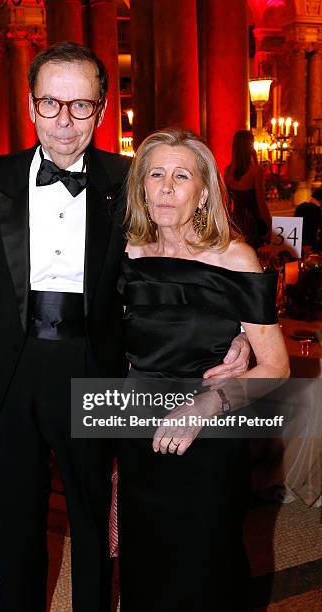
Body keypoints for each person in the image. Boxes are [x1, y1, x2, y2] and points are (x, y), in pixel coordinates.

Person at [0, 43, 250, 612]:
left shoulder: (131, 179)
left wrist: (232, 327)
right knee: (16, 521)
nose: (65, 120)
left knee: (91, 518)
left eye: (81, 105)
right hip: (8, 374)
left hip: (95, 370)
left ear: (103, 108)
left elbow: (183, 252)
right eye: (51, 103)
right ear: (31, 106)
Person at [116, 128, 290, 612]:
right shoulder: (124, 255)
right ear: (142, 189)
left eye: (181, 175)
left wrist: (210, 401)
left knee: (206, 564)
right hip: (138, 433)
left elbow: (276, 365)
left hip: (211, 439)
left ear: (204, 191)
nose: (167, 187)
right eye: (155, 174)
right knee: (145, 565)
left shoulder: (234, 258)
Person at [225, 129, 271, 248]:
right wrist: (270, 226)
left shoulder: (228, 170)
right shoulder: (256, 170)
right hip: (252, 222)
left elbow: (226, 202)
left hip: (235, 222)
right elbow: (261, 202)